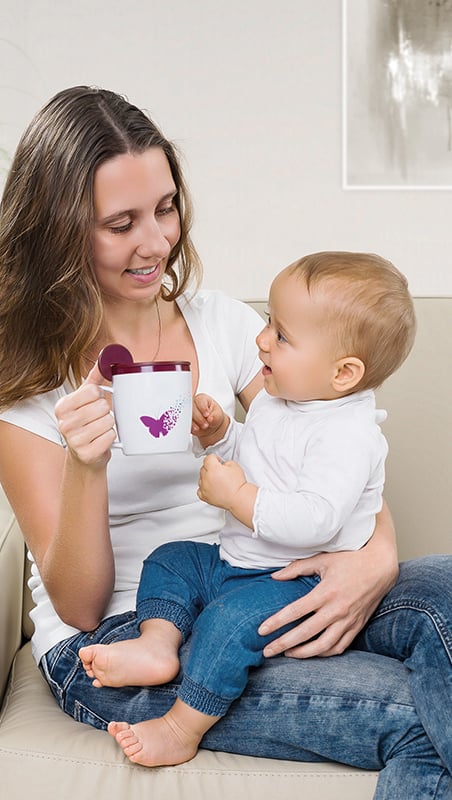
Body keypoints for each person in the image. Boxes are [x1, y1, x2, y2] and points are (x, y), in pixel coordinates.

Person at [0, 86, 451, 798]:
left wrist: (373, 560)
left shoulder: (225, 324)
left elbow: (330, 447)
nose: (157, 242)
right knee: (414, 714)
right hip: (124, 632)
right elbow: (79, 607)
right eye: (121, 223)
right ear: (58, 234)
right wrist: (86, 468)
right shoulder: (23, 389)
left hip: (257, 580)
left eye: (165, 208)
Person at [78, 251, 417, 767]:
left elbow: (316, 519)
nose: (261, 339)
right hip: (235, 561)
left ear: (343, 373)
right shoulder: (282, 401)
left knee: (227, 626)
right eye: (267, 322)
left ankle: (181, 726)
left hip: (291, 578)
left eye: (281, 335)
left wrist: (238, 497)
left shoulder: (348, 435)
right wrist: (220, 434)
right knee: (171, 560)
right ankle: (156, 643)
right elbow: (260, 459)